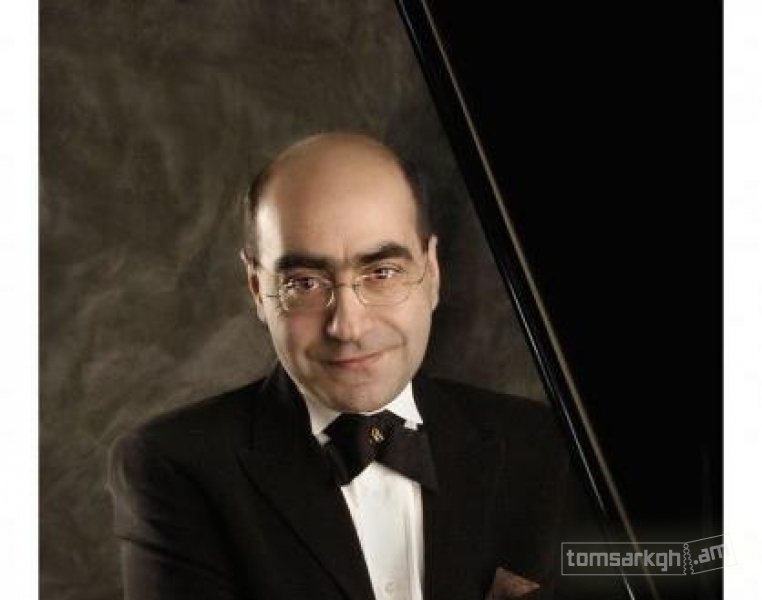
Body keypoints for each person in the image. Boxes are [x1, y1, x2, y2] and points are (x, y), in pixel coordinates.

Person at [107, 132, 569, 600]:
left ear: (431, 273)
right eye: (304, 282)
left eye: (382, 273)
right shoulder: (174, 468)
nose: (348, 326)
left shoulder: (546, 442)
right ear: (257, 288)